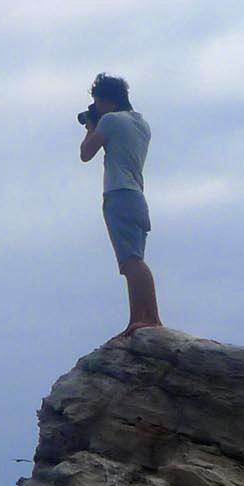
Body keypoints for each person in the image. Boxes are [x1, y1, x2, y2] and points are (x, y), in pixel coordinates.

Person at [78, 72, 160, 341]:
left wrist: (91, 125)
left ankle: (142, 319)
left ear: (107, 101)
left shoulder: (111, 120)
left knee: (131, 263)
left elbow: (86, 153)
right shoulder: (141, 124)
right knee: (135, 260)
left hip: (119, 193)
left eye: (98, 102)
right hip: (137, 196)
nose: (97, 107)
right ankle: (148, 318)